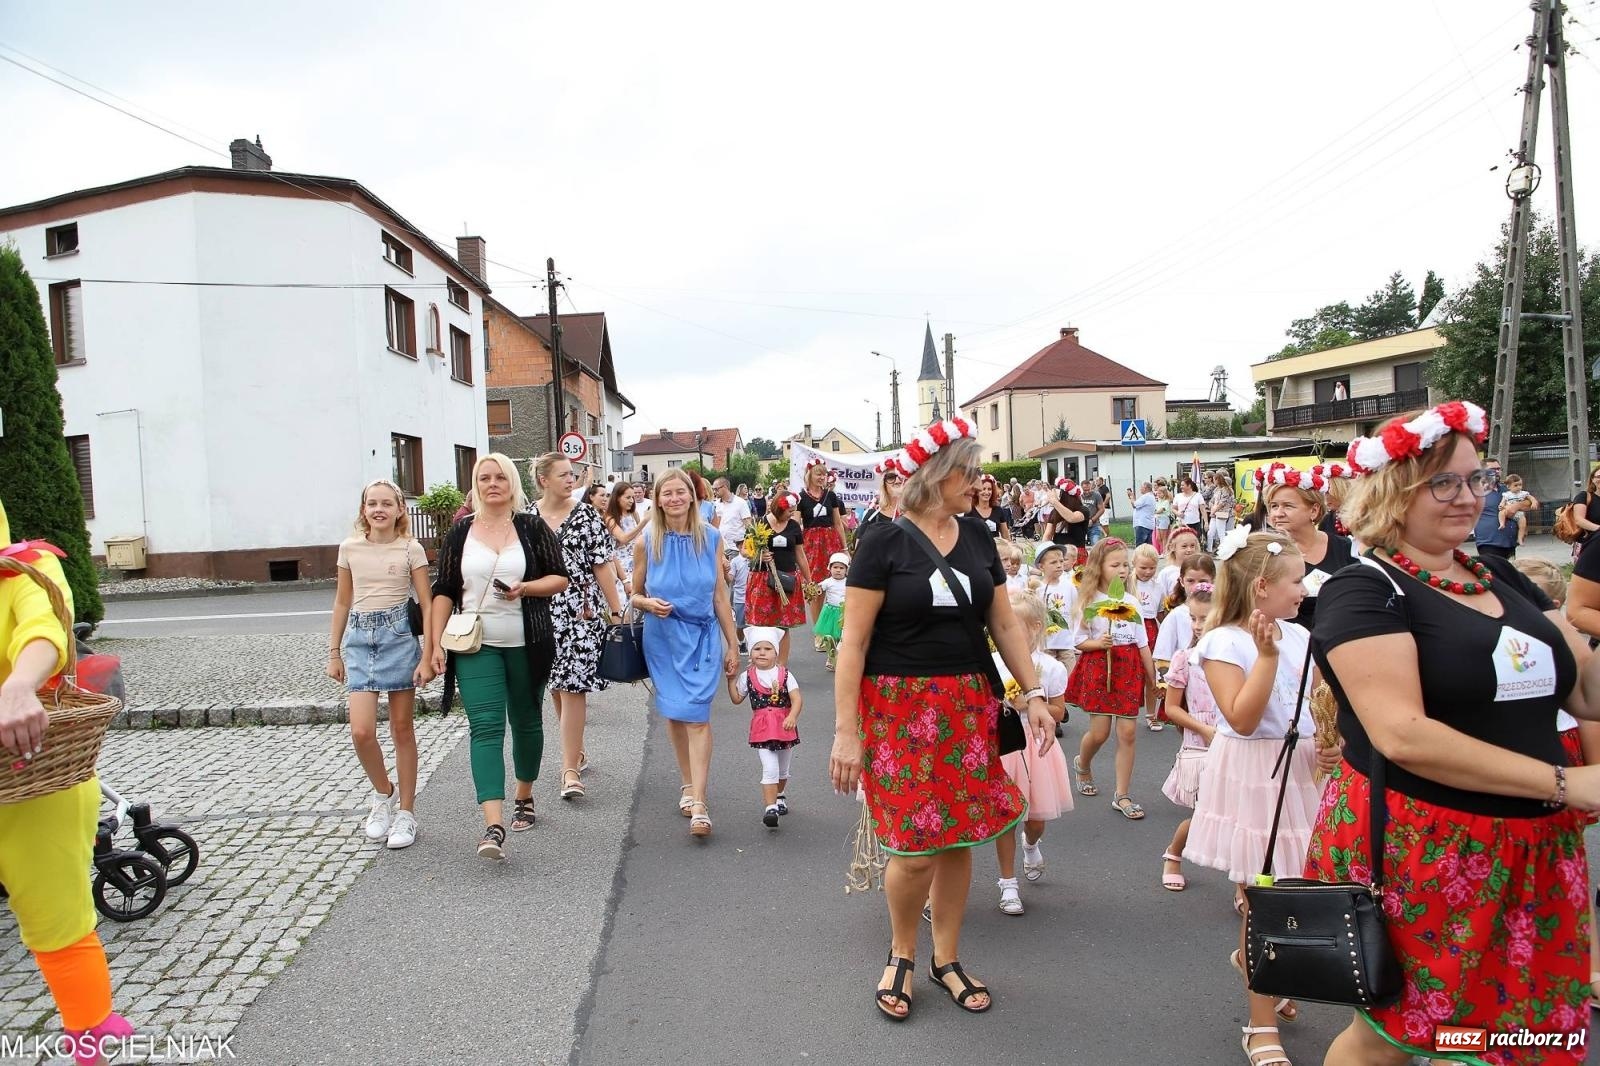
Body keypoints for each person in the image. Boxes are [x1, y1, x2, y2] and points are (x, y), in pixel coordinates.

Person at [1310, 400, 1600, 1065]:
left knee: (1517, 1034)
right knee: (1398, 1039)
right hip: (1434, 848)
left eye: (1477, 480)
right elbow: (1402, 734)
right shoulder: (1364, 590)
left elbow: (1584, 689)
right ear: (1394, 490)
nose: (1469, 497)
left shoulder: (1495, 573)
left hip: (1533, 847)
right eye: (1445, 482)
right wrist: (1565, 780)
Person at [828, 419, 1056, 1022]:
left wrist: (1032, 692)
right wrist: (845, 731)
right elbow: (852, 642)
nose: (980, 482)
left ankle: (946, 957)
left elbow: (1004, 624)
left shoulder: (980, 535)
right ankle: (901, 952)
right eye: (971, 470)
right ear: (938, 473)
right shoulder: (882, 541)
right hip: (898, 710)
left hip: (968, 707)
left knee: (958, 836)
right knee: (913, 847)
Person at [1187, 528, 1333, 1064]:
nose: (1305, 588)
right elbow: (1243, 720)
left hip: (1302, 768)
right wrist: (1266, 657)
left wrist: (1330, 745)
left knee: (1303, 891)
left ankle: (1263, 966)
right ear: (1264, 585)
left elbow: (1316, 705)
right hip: (1254, 770)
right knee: (1265, 897)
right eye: (1297, 580)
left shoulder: (1300, 633)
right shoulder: (1223, 640)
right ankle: (1260, 1023)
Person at [0, 501, 135, 1063]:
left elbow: (43, 628)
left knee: (59, 922)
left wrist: (19, 686)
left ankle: (89, 1033)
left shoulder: (26, 568)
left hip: (31, 776)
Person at [429, 454, 569, 860]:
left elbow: (559, 577)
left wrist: (525, 588)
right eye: (484, 478)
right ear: (475, 485)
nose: (493, 484)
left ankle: (524, 795)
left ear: (511, 483)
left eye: (500, 477)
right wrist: (436, 643)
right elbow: (444, 589)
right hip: (476, 645)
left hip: (528, 642)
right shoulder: (460, 533)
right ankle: (493, 824)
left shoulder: (530, 526)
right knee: (485, 728)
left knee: (526, 722)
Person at [632, 470, 741, 837]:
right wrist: (647, 602)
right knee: (676, 715)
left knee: (696, 716)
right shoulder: (647, 540)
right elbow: (633, 593)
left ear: (693, 497)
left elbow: (719, 596)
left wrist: (734, 644)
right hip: (662, 638)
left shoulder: (711, 539)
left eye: (681, 492)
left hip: (701, 638)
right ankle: (686, 782)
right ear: (658, 499)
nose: (675, 498)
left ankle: (700, 802)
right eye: (668, 493)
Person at [327, 479, 432, 850]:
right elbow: (342, 601)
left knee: (402, 729)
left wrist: (431, 651)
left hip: (398, 636)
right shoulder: (349, 548)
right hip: (359, 638)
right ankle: (383, 794)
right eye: (372, 503)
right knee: (361, 731)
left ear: (400, 508)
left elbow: (427, 602)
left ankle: (406, 812)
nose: (379, 509)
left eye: (386, 503)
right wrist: (334, 651)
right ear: (363, 509)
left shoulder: (410, 548)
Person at [530, 453, 626, 803]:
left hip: (578, 611)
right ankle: (577, 750)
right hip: (539, 612)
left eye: (572, 474)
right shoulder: (526, 517)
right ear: (544, 480)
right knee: (556, 687)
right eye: (563, 475)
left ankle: (569, 769)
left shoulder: (586, 515)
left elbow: (602, 564)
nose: (571, 480)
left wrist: (616, 610)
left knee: (573, 687)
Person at [991, 590, 1072, 916]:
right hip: (1004, 743)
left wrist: (1031, 704)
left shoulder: (1049, 668)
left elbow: (1059, 711)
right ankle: (1008, 883)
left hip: (1038, 744)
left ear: (1035, 627)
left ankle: (1032, 843)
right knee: (1005, 817)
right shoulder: (993, 663)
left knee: (1034, 818)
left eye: (1010, 624)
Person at [1069, 538, 1157, 818]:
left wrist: (1154, 680)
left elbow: (1142, 643)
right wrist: (1098, 643)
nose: (1122, 570)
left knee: (1128, 733)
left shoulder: (1131, 602)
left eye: (1125, 565)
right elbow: (1079, 641)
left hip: (1128, 669)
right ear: (1099, 567)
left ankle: (1123, 794)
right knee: (1100, 732)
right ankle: (1082, 763)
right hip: (1100, 668)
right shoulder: (1090, 601)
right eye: (1115, 564)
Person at [1158, 581, 1217, 892]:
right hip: (1201, 745)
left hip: (1236, 743)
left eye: (1204, 618)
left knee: (1237, 818)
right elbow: (1171, 708)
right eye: (1193, 618)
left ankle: (1242, 888)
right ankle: (1174, 853)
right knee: (1206, 812)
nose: (1197, 625)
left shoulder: (1238, 656)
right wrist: (1205, 729)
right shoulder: (1186, 658)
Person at [1253, 463, 1355, 631]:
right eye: (1273, 506)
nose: (1278, 513)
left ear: (1314, 511)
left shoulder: (1345, 548)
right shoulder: (1266, 553)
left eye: (1288, 506)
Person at [726, 626, 801, 829]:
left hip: (784, 728)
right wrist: (731, 679)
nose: (762, 653)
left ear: (776, 653)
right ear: (750, 653)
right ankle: (770, 808)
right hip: (762, 729)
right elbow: (736, 699)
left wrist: (792, 716)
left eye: (767, 649)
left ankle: (779, 794)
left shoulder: (785, 674)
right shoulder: (748, 676)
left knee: (783, 771)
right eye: (757, 649)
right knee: (770, 768)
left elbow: (796, 698)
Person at [744, 492, 814, 666]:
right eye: (789, 511)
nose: (792, 514)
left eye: (793, 510)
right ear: (778, 508)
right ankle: (758, 663)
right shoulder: (759, 523)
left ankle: (781, 666)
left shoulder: (794, 526)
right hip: (762, 579)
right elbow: (745, 550)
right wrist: (759, 555)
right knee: (761, 625)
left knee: (783, 626)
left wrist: (808, 579)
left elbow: (800, 555)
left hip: (786, 580)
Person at [797, 460, 849, 645]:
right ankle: (819, 632)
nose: (821, 477)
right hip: (811, 545)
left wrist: (844, 548)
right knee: (816, 589)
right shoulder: (801, 498)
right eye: (818, 473)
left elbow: (837, 523)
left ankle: (834, 630)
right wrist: (797, 550)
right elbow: (796, 525)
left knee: (835, 586)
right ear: (809, 474)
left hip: (830, 542)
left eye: (824, 474)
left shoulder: (831, 496)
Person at [713, 477, 752, 648]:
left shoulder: (740, 503)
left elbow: (748, 524)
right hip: (721, 549)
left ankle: (739, 615)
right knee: (724, 584)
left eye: (717, 488)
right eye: (713, 489)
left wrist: (752, 545)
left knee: (738, 582)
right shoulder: (716, 504)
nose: (715, 491)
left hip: (738, 548)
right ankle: (733, 613)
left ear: (725, 487)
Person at [1131, 543, 1164, 730]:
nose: (1148, 571)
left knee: (1151, 673)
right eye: (1143, 567)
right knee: (1130, 671)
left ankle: (1151, 714)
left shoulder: (1157, 586)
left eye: (1152, 568)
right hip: (1131, 626)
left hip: (1150, 628)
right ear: (1134, 564)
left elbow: (1159, 612)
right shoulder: (1128, 583)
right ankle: (1127, 709)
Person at [1471, 457, 1518, 560]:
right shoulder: (1475, 491)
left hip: (1509, 542)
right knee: (1494, 574)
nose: (1497, 472)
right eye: (1493, 470)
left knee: (1508, 574)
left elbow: (1526, 502)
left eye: (1498, 469)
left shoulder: (1506, 489)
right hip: (1489, 542)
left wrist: (1518, 506)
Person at [604, 484, 646, 595]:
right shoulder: (610, 518)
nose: (632, 500)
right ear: (617, 498)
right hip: (620, 566)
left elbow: (640, 537)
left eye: (632, 497)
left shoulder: (633, 514)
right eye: (628, 497)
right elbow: (623, 538)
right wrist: (644, 521)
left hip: (637, 562)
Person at [815, 552, 849, 671]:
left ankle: (841, 659)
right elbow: (818, 588)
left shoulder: (848, 582)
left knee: (842, 637)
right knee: (831, 638)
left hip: (843, 613)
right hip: (830, 613)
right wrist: (814, 589)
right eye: (835, 567)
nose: (838, 570)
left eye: (841, 568)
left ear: (846, 570)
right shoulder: (828, 582)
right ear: (830, 568)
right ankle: (831, 657)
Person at [1041, 478, 1090, 552]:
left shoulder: (1083, 510)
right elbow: (1047, 535)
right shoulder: (1054, 512)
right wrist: (1044, 552)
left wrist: (1055, 502)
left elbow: (1071, 518)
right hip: (1059, 552)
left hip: (1076, 552)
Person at [858, 467, 902, 537]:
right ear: (884, 484)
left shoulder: (917, 515)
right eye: (891, 477)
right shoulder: (872, 516)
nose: (897, 481)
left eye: (901, 476)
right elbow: (860, 546)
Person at [968, 474, 1012, 540]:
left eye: (989, 489)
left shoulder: (998, 510)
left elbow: (1006, 537)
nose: (986, 492)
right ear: (977, 492)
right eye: (983, 489)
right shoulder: (970, 511)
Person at [1499, 473, 1537, 546]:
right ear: (1508, 486)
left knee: (1523, 522)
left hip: (1518, 513)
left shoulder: (1523, 493)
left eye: (1520, 485)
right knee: (1501, 512)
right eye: (1516, 485)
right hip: (1507, 511)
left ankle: (1520, 538)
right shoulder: (1507, 494)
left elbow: (1531, 498)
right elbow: (1502, 502)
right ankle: (1502, 523)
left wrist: (1534, 502)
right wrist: (1501, 506)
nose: (1518, 487)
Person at [1567, 463, 1600, 546]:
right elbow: (1579, 520)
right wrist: (1598, 529)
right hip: (1590, 543)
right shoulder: (1584, 496)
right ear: (1592, 479)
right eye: (1599, 476)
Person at [1207, 472, 1236, 553]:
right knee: (1215, 532)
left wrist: (1213, 510)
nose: (1213, 482)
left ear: (1217, 480)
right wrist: (1212, 507)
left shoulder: (1226, 489)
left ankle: (1224, 550)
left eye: (1214, 480)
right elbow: (1212, 500)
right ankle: (1212, 549)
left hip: (1222, 513)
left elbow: (1223, 502)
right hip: (1216, 513)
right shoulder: (1216, 489)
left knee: (1221, 533)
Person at [1128, 481, 1156, 547]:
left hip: (1142, 524)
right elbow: (1137, 505)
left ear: (1146, 488)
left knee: (1140, 546)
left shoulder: (1145, 497)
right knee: (1147, 547)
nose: (1140, 489)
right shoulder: (1151, 497)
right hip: (1149, 524)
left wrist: (1131, 497)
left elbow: (1134, 505)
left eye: (1141, 487)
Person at [1082, 478, 1107, 546]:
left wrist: (1092, 520)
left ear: (1091, 487)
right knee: (1080, 547)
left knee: (1096, 545)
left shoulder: (1096, 495)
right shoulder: (1079, 496)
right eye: (1085, 490)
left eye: (1088, 490)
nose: (1087, 492)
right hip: (1081, 525)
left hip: (1094, 525)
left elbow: (1102, 509)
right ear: (1082, 488)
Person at [1153, 484, 1173, 553]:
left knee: (1163, 537)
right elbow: (1155, 510)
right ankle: (1164, 550)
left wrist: (1153, 512)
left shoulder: (1166, 502)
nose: (1158, 494)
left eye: (1160, 493)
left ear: (1164, 494)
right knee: (1158, 538)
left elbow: (1161, 510)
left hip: (1164, 519)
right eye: (1157, 493)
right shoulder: (1158, 502)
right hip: (1158, 519)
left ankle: (1164, 552)